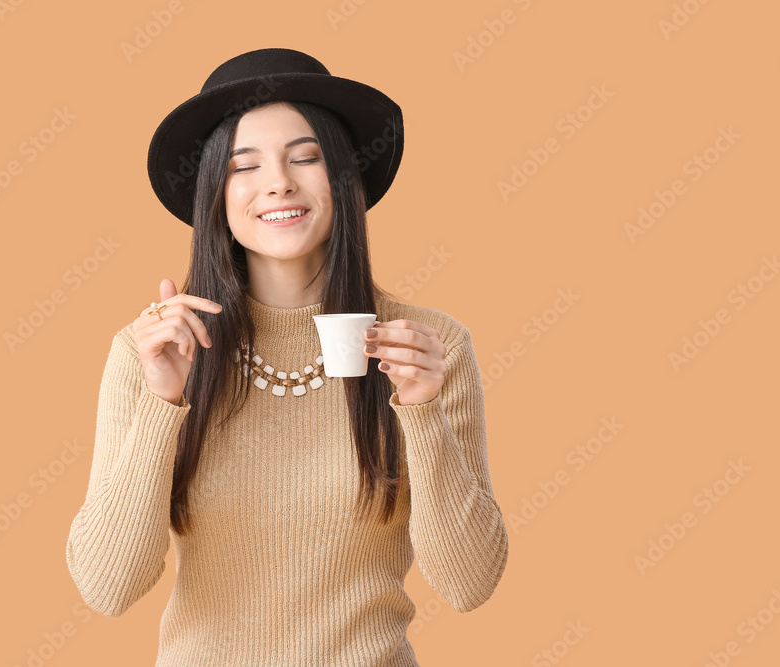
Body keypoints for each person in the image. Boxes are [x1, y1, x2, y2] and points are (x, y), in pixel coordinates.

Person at [65, 47, 508, 666]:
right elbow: (107, 587)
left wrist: (423, 412)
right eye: (246, 167)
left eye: (305, 158)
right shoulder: (155, 349)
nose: (279, 182)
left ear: (344, 178)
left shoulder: (428, 345)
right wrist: (164, 402)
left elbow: (470, 582)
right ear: (215, 193)